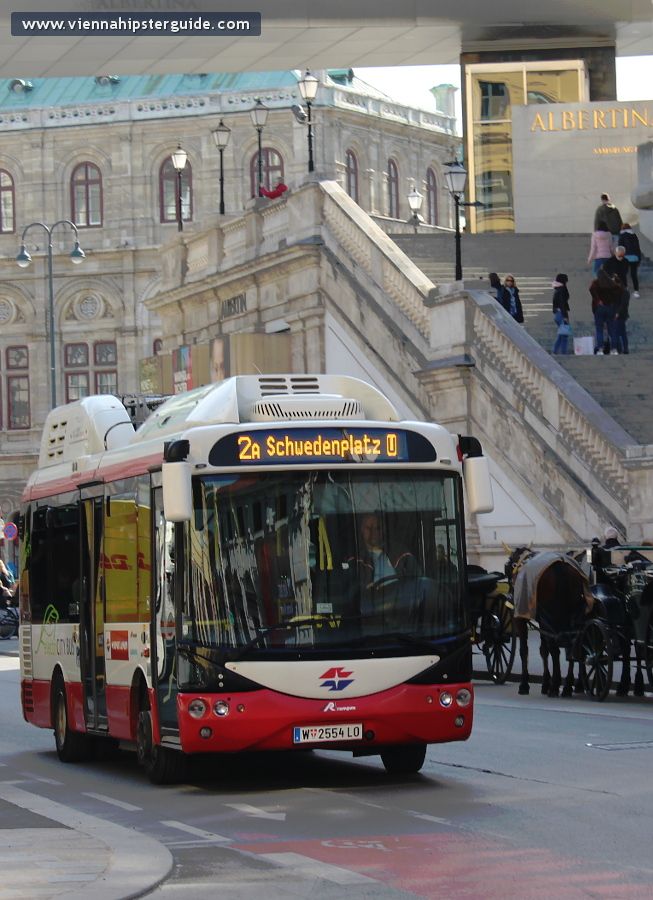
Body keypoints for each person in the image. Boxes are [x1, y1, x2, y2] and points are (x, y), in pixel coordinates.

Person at [589, 268, 621, 355]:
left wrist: (598, 299)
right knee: (612, 330)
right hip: (610, 307)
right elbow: (619, 290)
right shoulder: (611, 283)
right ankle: (614, 349)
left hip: (599, 308)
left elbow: (591, 289)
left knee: (599, 329)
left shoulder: (596, 283)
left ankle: (600, 349)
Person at [618, 223, 641, 297]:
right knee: (634, 274)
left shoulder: (622, 236)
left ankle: (626, 288)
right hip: (634, 257)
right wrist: (639, 258)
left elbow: (620, 248)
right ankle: (636, 291)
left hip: (626, 257)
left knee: (623, 274)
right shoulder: (634, 235)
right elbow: (637, 248)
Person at [551, 273, 571, 355]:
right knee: (564, 335)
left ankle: (555, 351)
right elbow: (562, 304)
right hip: (561, 314)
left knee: (561, 334)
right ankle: (563, 352)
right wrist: (565, 316)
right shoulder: (562, 290)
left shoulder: (557, 289)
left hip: (557, 314)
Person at [614, 279, 630, 355]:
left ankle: (619, 348)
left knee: (617, 332)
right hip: (622, 314)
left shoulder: (623, 293)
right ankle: (625, 348)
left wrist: (617, 313)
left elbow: (623, 305)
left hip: (620, 314)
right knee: (622, 332)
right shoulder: (625, 292)